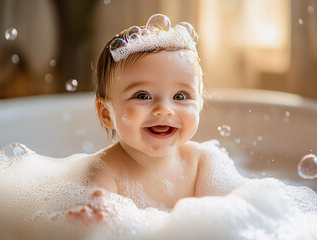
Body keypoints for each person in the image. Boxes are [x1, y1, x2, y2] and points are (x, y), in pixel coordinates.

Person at [67, 14, 246, 223]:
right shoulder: (102, 175)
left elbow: (234, 220)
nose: (164, 110)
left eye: (180, 96)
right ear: (107, 114)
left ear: (199, 104)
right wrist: (90, 222)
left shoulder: (203, 164)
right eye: (142, 96)